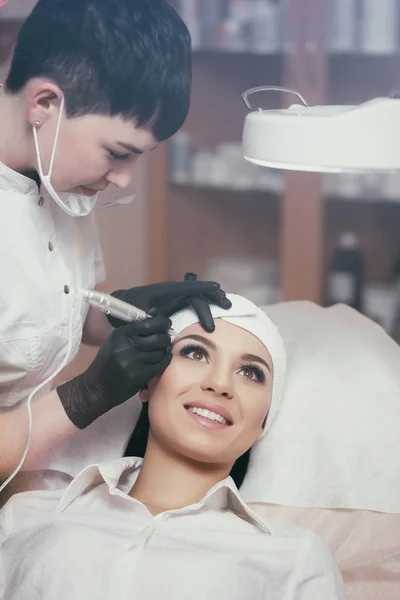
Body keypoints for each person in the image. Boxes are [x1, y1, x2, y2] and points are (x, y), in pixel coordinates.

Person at [0, 0, 231, 484]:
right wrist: (84, 397)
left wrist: (124, 310)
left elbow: (50, 313)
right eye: (117, 154)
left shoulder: (58, 175)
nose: (124, 180)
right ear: (45, 104)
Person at [0, 295, 346, 600]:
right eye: (196, 352)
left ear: (264, 421)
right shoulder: (26, 516)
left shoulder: (296, 557)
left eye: (251, 373)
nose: (219, 384)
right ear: (145, 383)